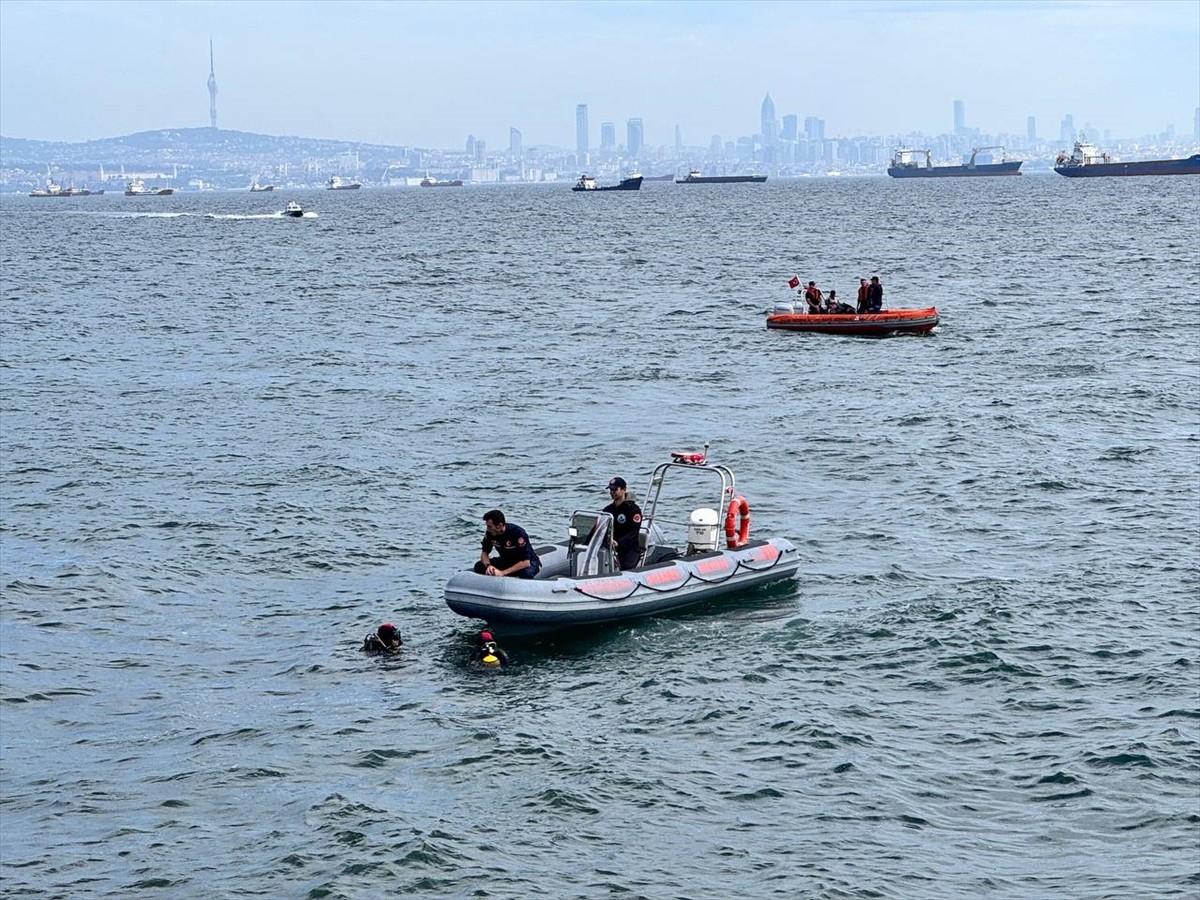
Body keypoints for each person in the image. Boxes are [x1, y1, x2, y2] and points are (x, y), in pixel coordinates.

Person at [475, 509, 541, 578]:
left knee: (526, 573)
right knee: (479, 566)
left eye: (490, 526)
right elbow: (485, 552)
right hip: (507, 560)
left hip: (527, 561)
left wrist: (502, 573)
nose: (487, 529)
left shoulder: (518, 533)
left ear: (499, 526)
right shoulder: (490, 534)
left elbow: (525, 562)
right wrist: (488, 566)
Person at [602, 476, 644, 570]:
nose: (612, 492)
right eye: (611, 490)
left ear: (623, 490)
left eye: (615, 489)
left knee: (626, 566)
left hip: (629, 549)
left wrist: (618, 543)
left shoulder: (633, 510)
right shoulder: (608, 510)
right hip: (611, 547)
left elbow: (633, 532)